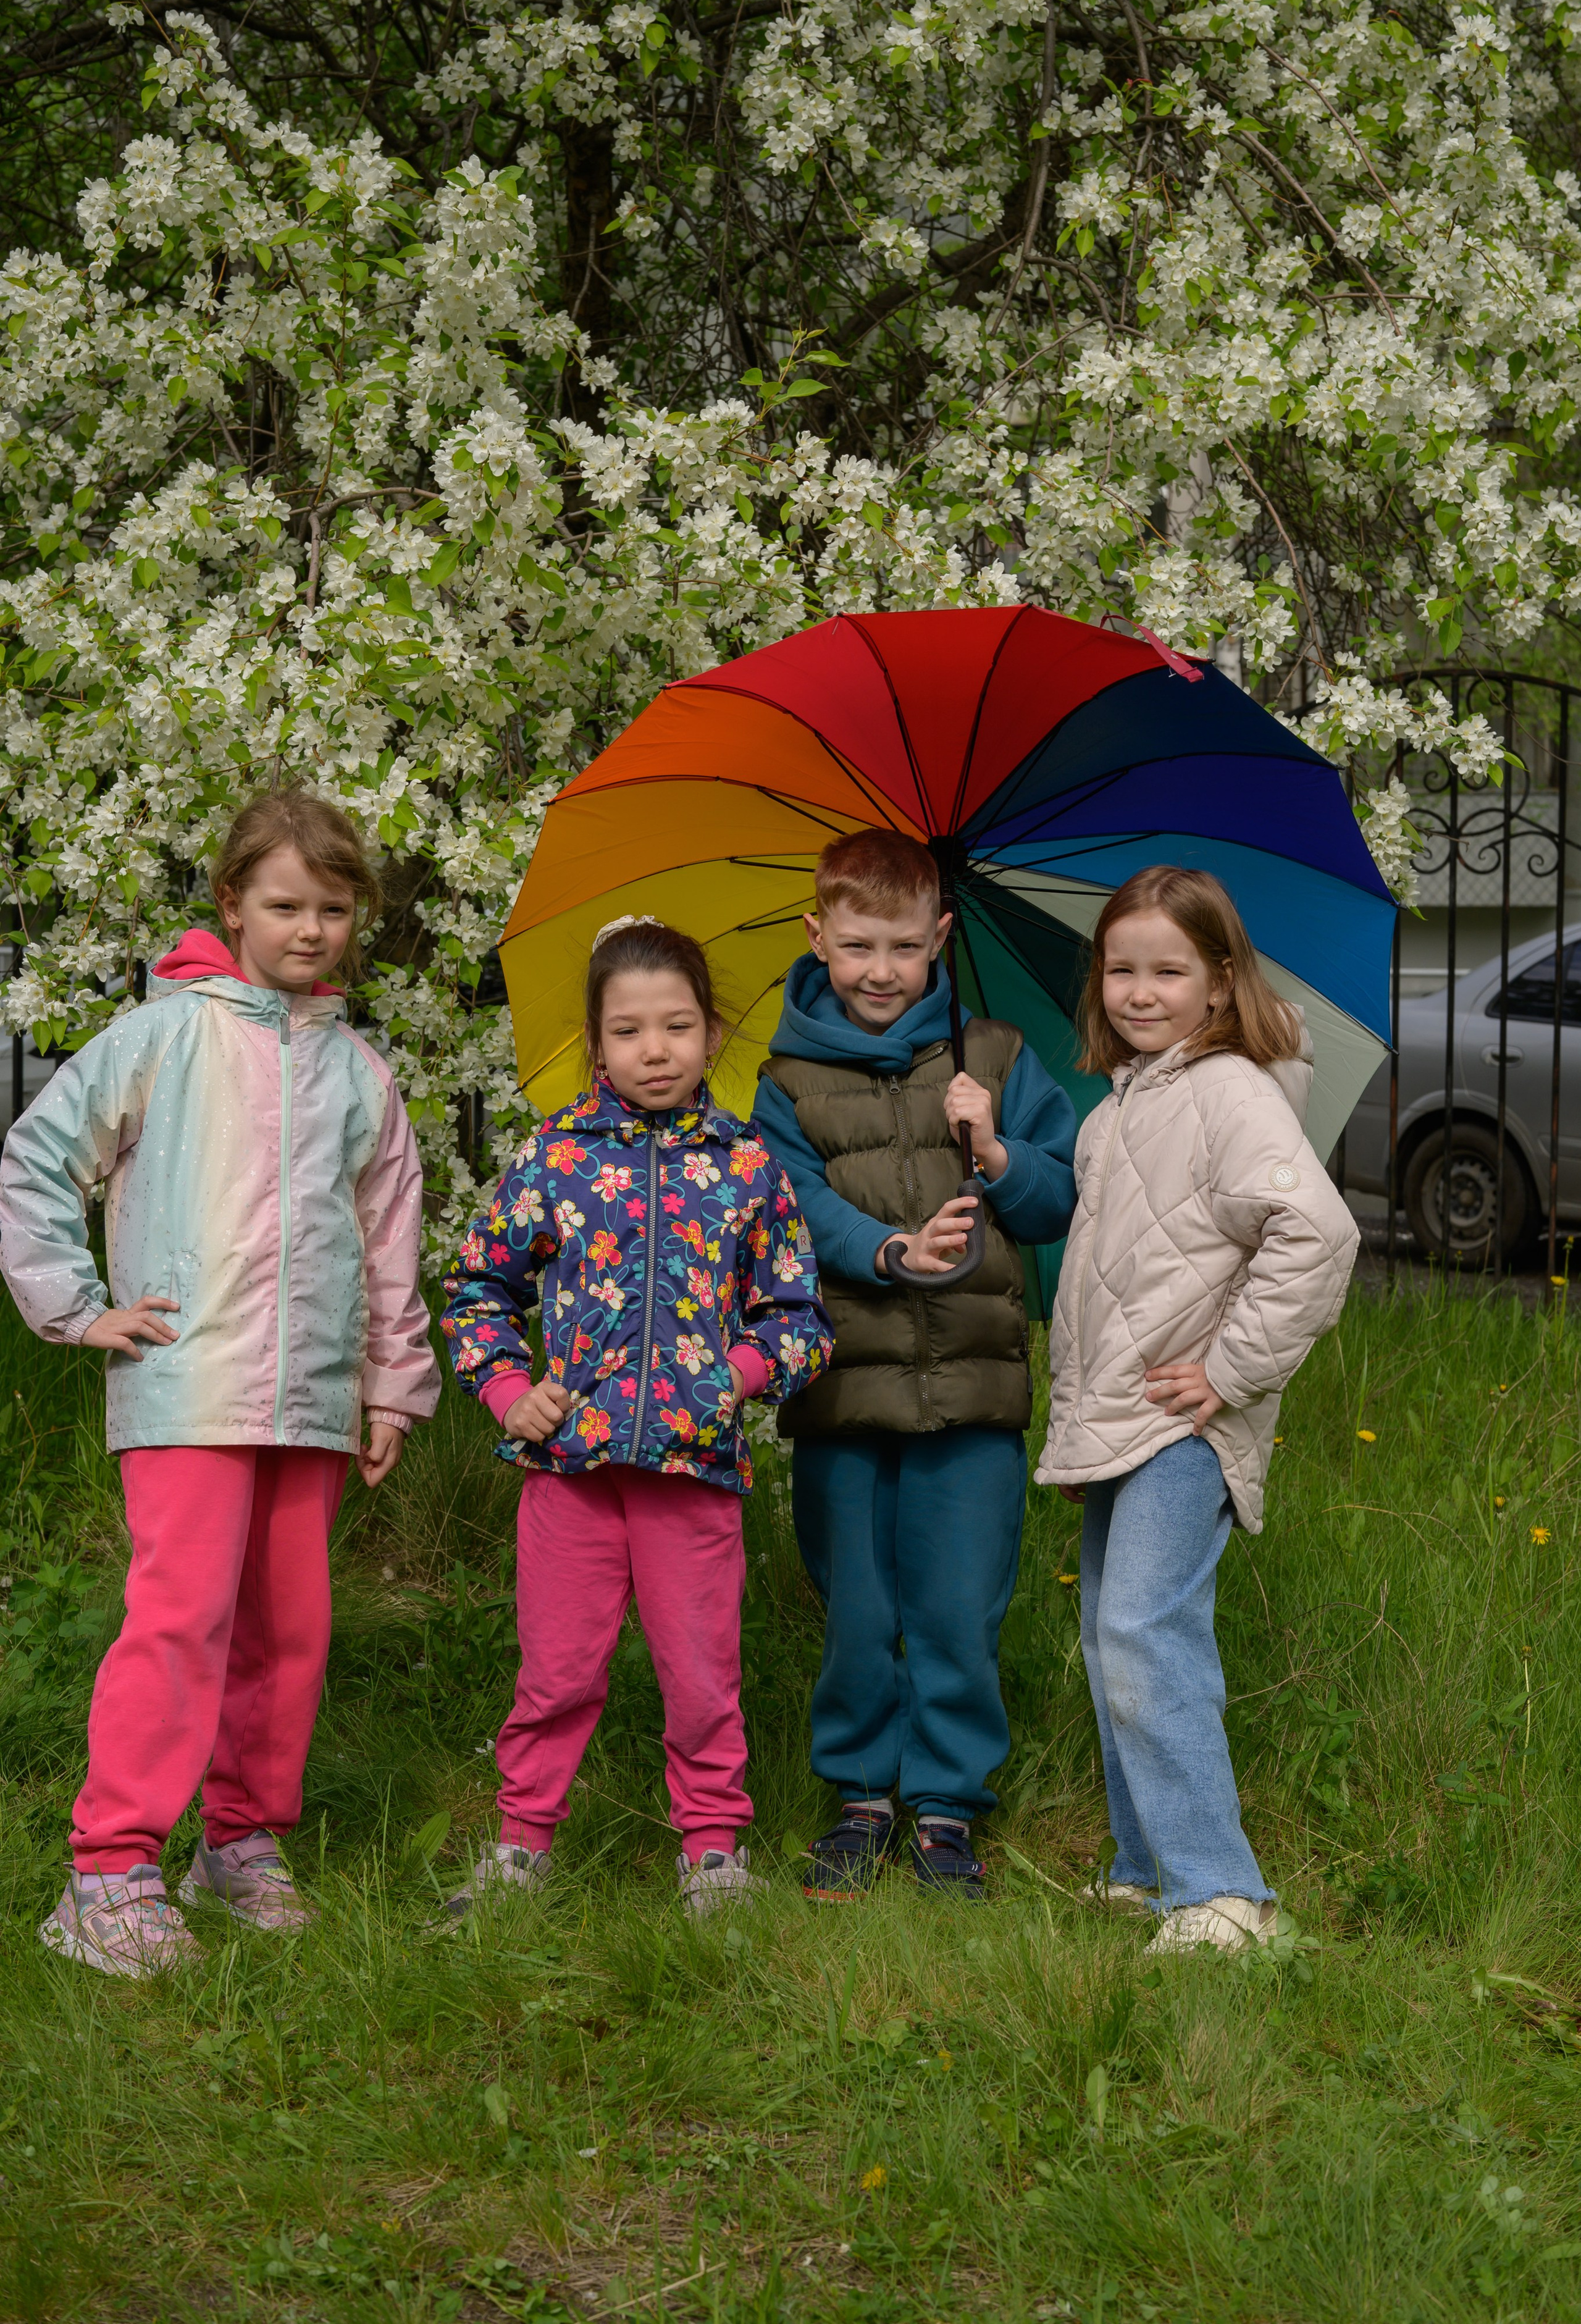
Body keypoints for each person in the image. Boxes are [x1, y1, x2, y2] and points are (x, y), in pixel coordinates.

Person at [0, 791, 439, 1978]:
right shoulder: (166, 1037)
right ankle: (108, 1870)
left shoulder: (360, 1076)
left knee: (288, 1631)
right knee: (181, 1620)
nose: (311, 930)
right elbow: (40, 1153)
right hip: (186, 1385)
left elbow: (388, 1237)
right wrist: (78, 1308)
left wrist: (392, 1386)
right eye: (285, 905)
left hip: (311, 1401)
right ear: (232, 905)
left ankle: (238, 1844)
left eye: (335, 910)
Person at [440, 915, 832, 1918]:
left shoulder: (747, 1165)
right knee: (557, 1673)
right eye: (628, 1031)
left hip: (693, 1475)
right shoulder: (555, 1159)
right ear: (596, 1040)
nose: (655, 1050)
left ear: (712, 1033)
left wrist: (732, 1378)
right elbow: (478, 1288)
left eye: (678, 1026)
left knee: (703, 1676)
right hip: (571, 1474)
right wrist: (506, 1391)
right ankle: (524, 1844)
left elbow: (797, 1316)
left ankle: (712, 1851)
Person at [1038, 864, 1358, 1953]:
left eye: (1167, 970)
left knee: (1143, 1628)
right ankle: (1147, 1867)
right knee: (1106, 1632)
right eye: (1120, 969)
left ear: (1219, 983)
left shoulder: (1228, 1093)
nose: (1139, 990)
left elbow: (1318, 1234)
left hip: (1185, 1421)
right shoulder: (1119, 1109)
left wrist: (1229, 1371)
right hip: (1121, 1416)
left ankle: (1221, 1892)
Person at [752, 829, 1076, 1900]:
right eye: (857, 947)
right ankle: (858, 1800)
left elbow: (1057, 1199)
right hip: (842, 1382)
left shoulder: (996, 1059)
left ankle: (945, 1807)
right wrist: (890, 1252)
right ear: (818, 936)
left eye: (902, 946)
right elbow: (785, 1208)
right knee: (857, 1602)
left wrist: (997, 1152)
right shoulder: (785, 1079)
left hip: (974, 1388)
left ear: (940, 936)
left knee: (956, 1602)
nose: (881, 972)